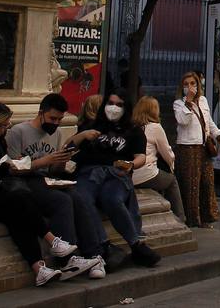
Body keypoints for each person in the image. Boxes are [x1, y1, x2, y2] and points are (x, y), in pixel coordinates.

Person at [0, 103, 82, 286]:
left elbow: (3, 173)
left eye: (5, 126)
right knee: (18, 200)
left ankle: (38, 268)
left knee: (17, 213)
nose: (2, 130)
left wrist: (12, 164)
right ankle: (52, 240)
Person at [5, 93, 105, 278]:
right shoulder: (19, 131)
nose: (56, 123)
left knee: (76, 197)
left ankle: (94, 253)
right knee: (62, 201)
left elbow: (53, 168)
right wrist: (44, 161)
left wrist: (61, 160)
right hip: (25, 181)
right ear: (41, 113)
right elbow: (13, 169)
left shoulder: (56, 133)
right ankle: (67, 259)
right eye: (52, 118)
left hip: (47, 178)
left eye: (59, 119)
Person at [66, 90, 161, 267]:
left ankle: (136, 244)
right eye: (110, 103)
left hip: (116, 174)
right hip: (90, 172)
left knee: (113, 199)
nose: (113, 108)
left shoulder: (133, 131)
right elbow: (68, 146)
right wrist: (82, 136)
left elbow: (141, 156)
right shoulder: (92, 125)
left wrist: (131, 165)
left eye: (119, 105)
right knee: (82, 199)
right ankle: (103, 244)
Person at [173, 71, 220, 228]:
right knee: (190, 185)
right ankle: (192, 219)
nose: (190, 87)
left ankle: (206, 217)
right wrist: (188, 101)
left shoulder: (203, 100)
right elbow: (183, 121)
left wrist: (219, 136)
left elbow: (208, 121)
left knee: (206, 182)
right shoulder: (179, 103)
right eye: (186, 84)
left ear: (198, 84)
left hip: (203, 148)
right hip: (187, 148)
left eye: (193, 83)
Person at [131, 96, 184, 221]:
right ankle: (180, 218)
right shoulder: (155, 127)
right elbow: (167, 154)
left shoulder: (132, 127)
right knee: (171, 181)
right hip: (145, 174)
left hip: (130, 174)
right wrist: (172, 165)